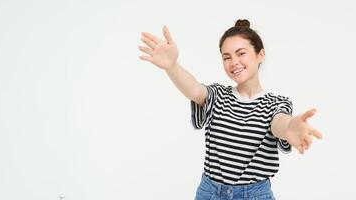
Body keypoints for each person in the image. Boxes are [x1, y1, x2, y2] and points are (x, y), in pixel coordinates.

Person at [138, 19, 322, 200]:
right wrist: (172, 66)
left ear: (260, 55)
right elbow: (193, 89)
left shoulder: (276, 103)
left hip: (255, 195)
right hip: (210, 193)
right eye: (227, 57)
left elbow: (280, 123)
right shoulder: (218, 95)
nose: (234, 62)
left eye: (241, 53)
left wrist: (290, 128)